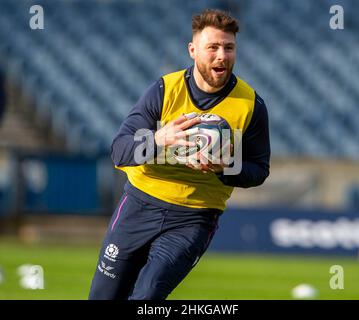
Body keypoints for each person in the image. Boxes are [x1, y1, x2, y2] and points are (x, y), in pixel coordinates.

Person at [89, 8, 270, 300]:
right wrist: (158, 139)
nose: (221, 55)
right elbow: (119, 150)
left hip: (193, 217)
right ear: (193, 50)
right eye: (212, 47)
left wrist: (225, 168)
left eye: (229, 47)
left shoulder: (250, 105)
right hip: (139, 206)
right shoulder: (164, 90)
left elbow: (259, 170)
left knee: (147, 296)